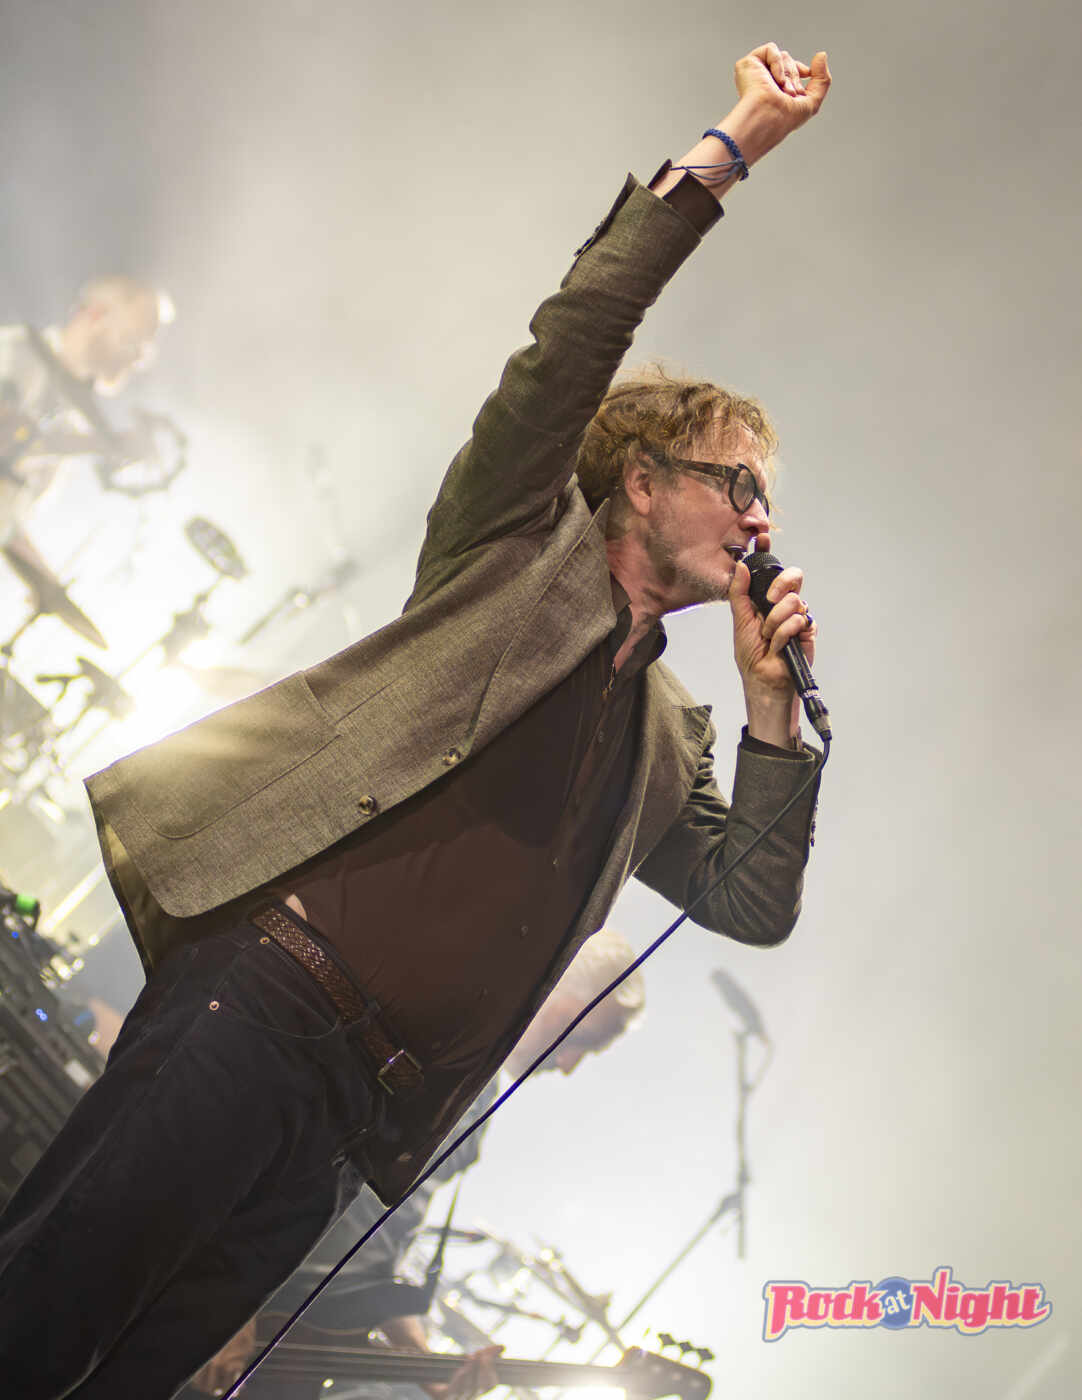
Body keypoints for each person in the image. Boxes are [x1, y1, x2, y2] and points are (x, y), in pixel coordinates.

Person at [0, 41, 831, 1399]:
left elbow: (750, 898)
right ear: (637, 482)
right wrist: (733, 144)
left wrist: (769, 716)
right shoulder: (514, 552)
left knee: (135, 1376)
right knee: (44, 1306)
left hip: (352, 1118)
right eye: (735, 484)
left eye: (767, 500)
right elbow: (572, 338)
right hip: (259, 1002)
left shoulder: (671, 735)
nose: (759, 519)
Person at [189, 928, 645, 1398]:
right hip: (224, 1292)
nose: (569, 1064)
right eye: (583, 1038)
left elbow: (374, 1248)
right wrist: (232, 1296)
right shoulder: (432, 1037)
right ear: (553, 979)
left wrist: (426, 1368)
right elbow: (284, 1151)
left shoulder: (477, 1101)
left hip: (281, 1331)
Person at [0, 273, 173, 571]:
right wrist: (106, 444)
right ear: (94, 315)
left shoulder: (72, 423)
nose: (136, 358)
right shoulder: (15, 352)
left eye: (144, 351)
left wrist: (48, 585)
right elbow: (8, 438)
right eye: (131, 340)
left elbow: (7, 518)